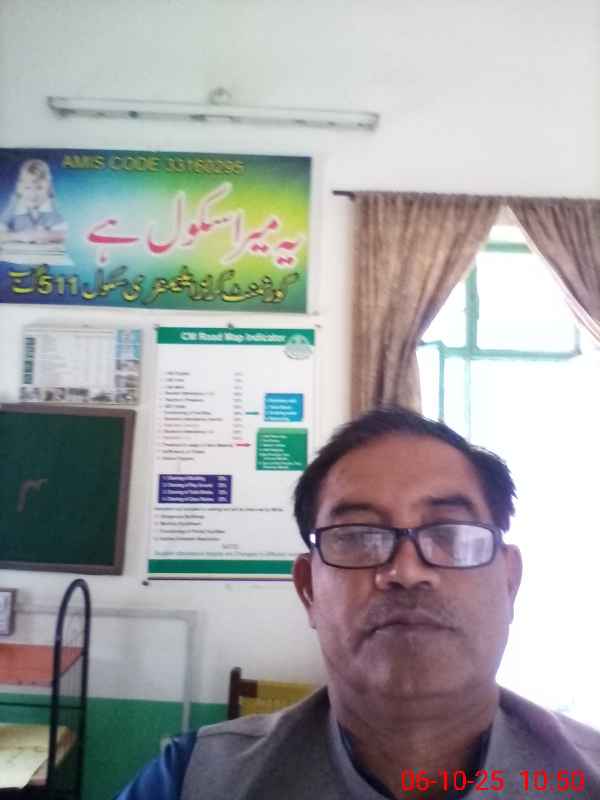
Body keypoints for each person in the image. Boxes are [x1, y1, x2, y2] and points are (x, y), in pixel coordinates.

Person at [115, 406, 600, 799]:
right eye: (358, 536)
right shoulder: (194, 781)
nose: (406, 571)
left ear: (509, 581)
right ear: (308, 589)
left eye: (450, 533)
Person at [0, 158, 67, 243]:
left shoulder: (52, 208)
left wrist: (44, 235)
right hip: (17, 249)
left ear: (48, 189)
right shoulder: (14, 207)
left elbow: (64, 235)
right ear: (19, 189)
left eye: (39, 188)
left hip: (45, 250)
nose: (33, 194)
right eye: (27, 188)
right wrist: (18, 236)